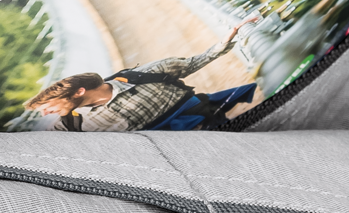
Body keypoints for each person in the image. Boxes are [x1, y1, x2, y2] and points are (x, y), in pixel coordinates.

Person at [25, 17, 263, 132]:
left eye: (48, 106)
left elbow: (194, 63)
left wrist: (228, 38)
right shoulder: (68, 127)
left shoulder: (145, 75)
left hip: (209, 126)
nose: (45, 113)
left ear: (79, 91)